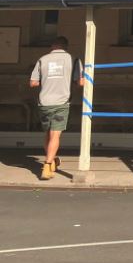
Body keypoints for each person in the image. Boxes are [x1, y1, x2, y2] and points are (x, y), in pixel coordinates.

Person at [29, 35, 84, 180]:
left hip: (44, 102)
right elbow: (81, 82)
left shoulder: (42, 59)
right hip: (62, 102)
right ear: (66, 46)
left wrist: (48, 81)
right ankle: (47, 166)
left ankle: (52, 161)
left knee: (48, 134)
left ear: (52, 46)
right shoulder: (74, 60)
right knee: (55, 134)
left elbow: (33, 83)